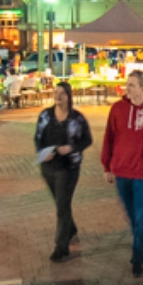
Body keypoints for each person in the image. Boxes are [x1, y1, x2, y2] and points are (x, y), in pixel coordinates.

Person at [101, 70, 143, 278]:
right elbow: (109, 138)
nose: (127, 88)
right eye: (127, 84)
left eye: (131, 85)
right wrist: (107, 166)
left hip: (142, 174)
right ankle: (140, 240)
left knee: (141, 218)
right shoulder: (117, 109)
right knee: (132, 216)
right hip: (121, 172)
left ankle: (137, 255)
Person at [35, 82, 94, 262]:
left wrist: (72, 148)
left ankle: (61, 247)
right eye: (56, 93)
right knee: (61, 203)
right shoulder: (45, 116)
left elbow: (87, 140)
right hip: (49, 167)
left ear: (69, 96)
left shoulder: (77, 118)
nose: (58, 96)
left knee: (62, 206)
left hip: (68, 167)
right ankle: (71, 228)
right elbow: (38, 138)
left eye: (62, 93)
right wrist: (41, 153)